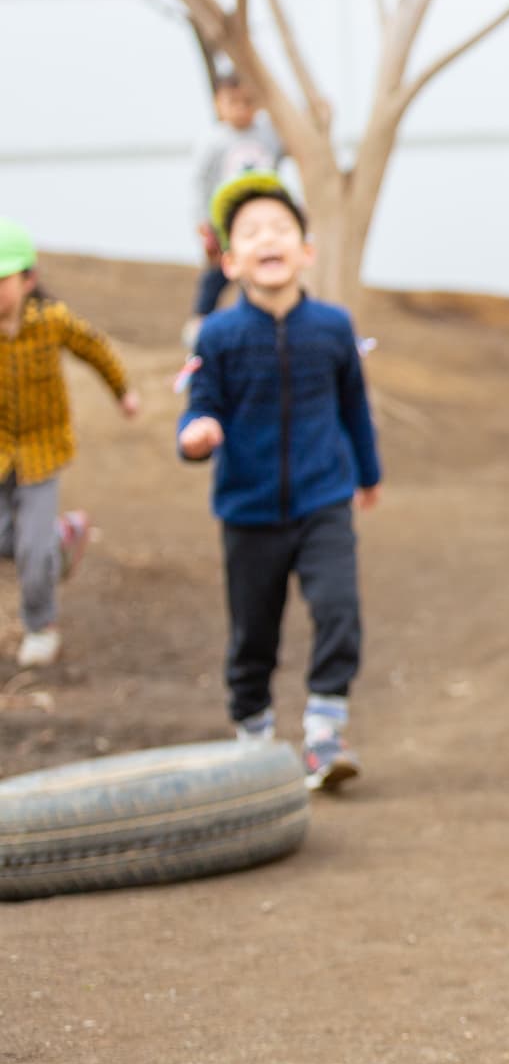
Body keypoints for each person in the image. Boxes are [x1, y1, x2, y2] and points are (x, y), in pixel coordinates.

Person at [177, 172, 381, 792]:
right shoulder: (218, 336)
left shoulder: (332, 327)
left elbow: (354, 406)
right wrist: (196, 433)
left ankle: (324, 730)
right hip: (249, 508)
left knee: (339, 609)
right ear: (230, 259)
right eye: (252, 232)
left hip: (324, 498)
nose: (269, 238)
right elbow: (199, 404)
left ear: (306, 250)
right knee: (254, 630)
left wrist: (368, 475)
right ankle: (254, 733)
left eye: (281, 229)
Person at [0, 218, 138, 668]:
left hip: (43, 451)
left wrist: (123, 393)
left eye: (2, 280)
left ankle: (41, 627)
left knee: (30, 550)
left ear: (28, 280)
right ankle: (63, 537)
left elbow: (94, 348)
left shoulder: (51, 321)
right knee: (18, 542)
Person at [186, 72, 286, 347]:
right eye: (234, 102)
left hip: (264, 219)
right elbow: (200, 183)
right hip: (225, 222)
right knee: (218, 274)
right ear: (219, 104)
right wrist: (202, 223)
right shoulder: (214, 140)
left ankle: (262, 325)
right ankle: (200, 323)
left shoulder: (269, 134)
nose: (242, 109)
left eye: (248, 102)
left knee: (259, 270)